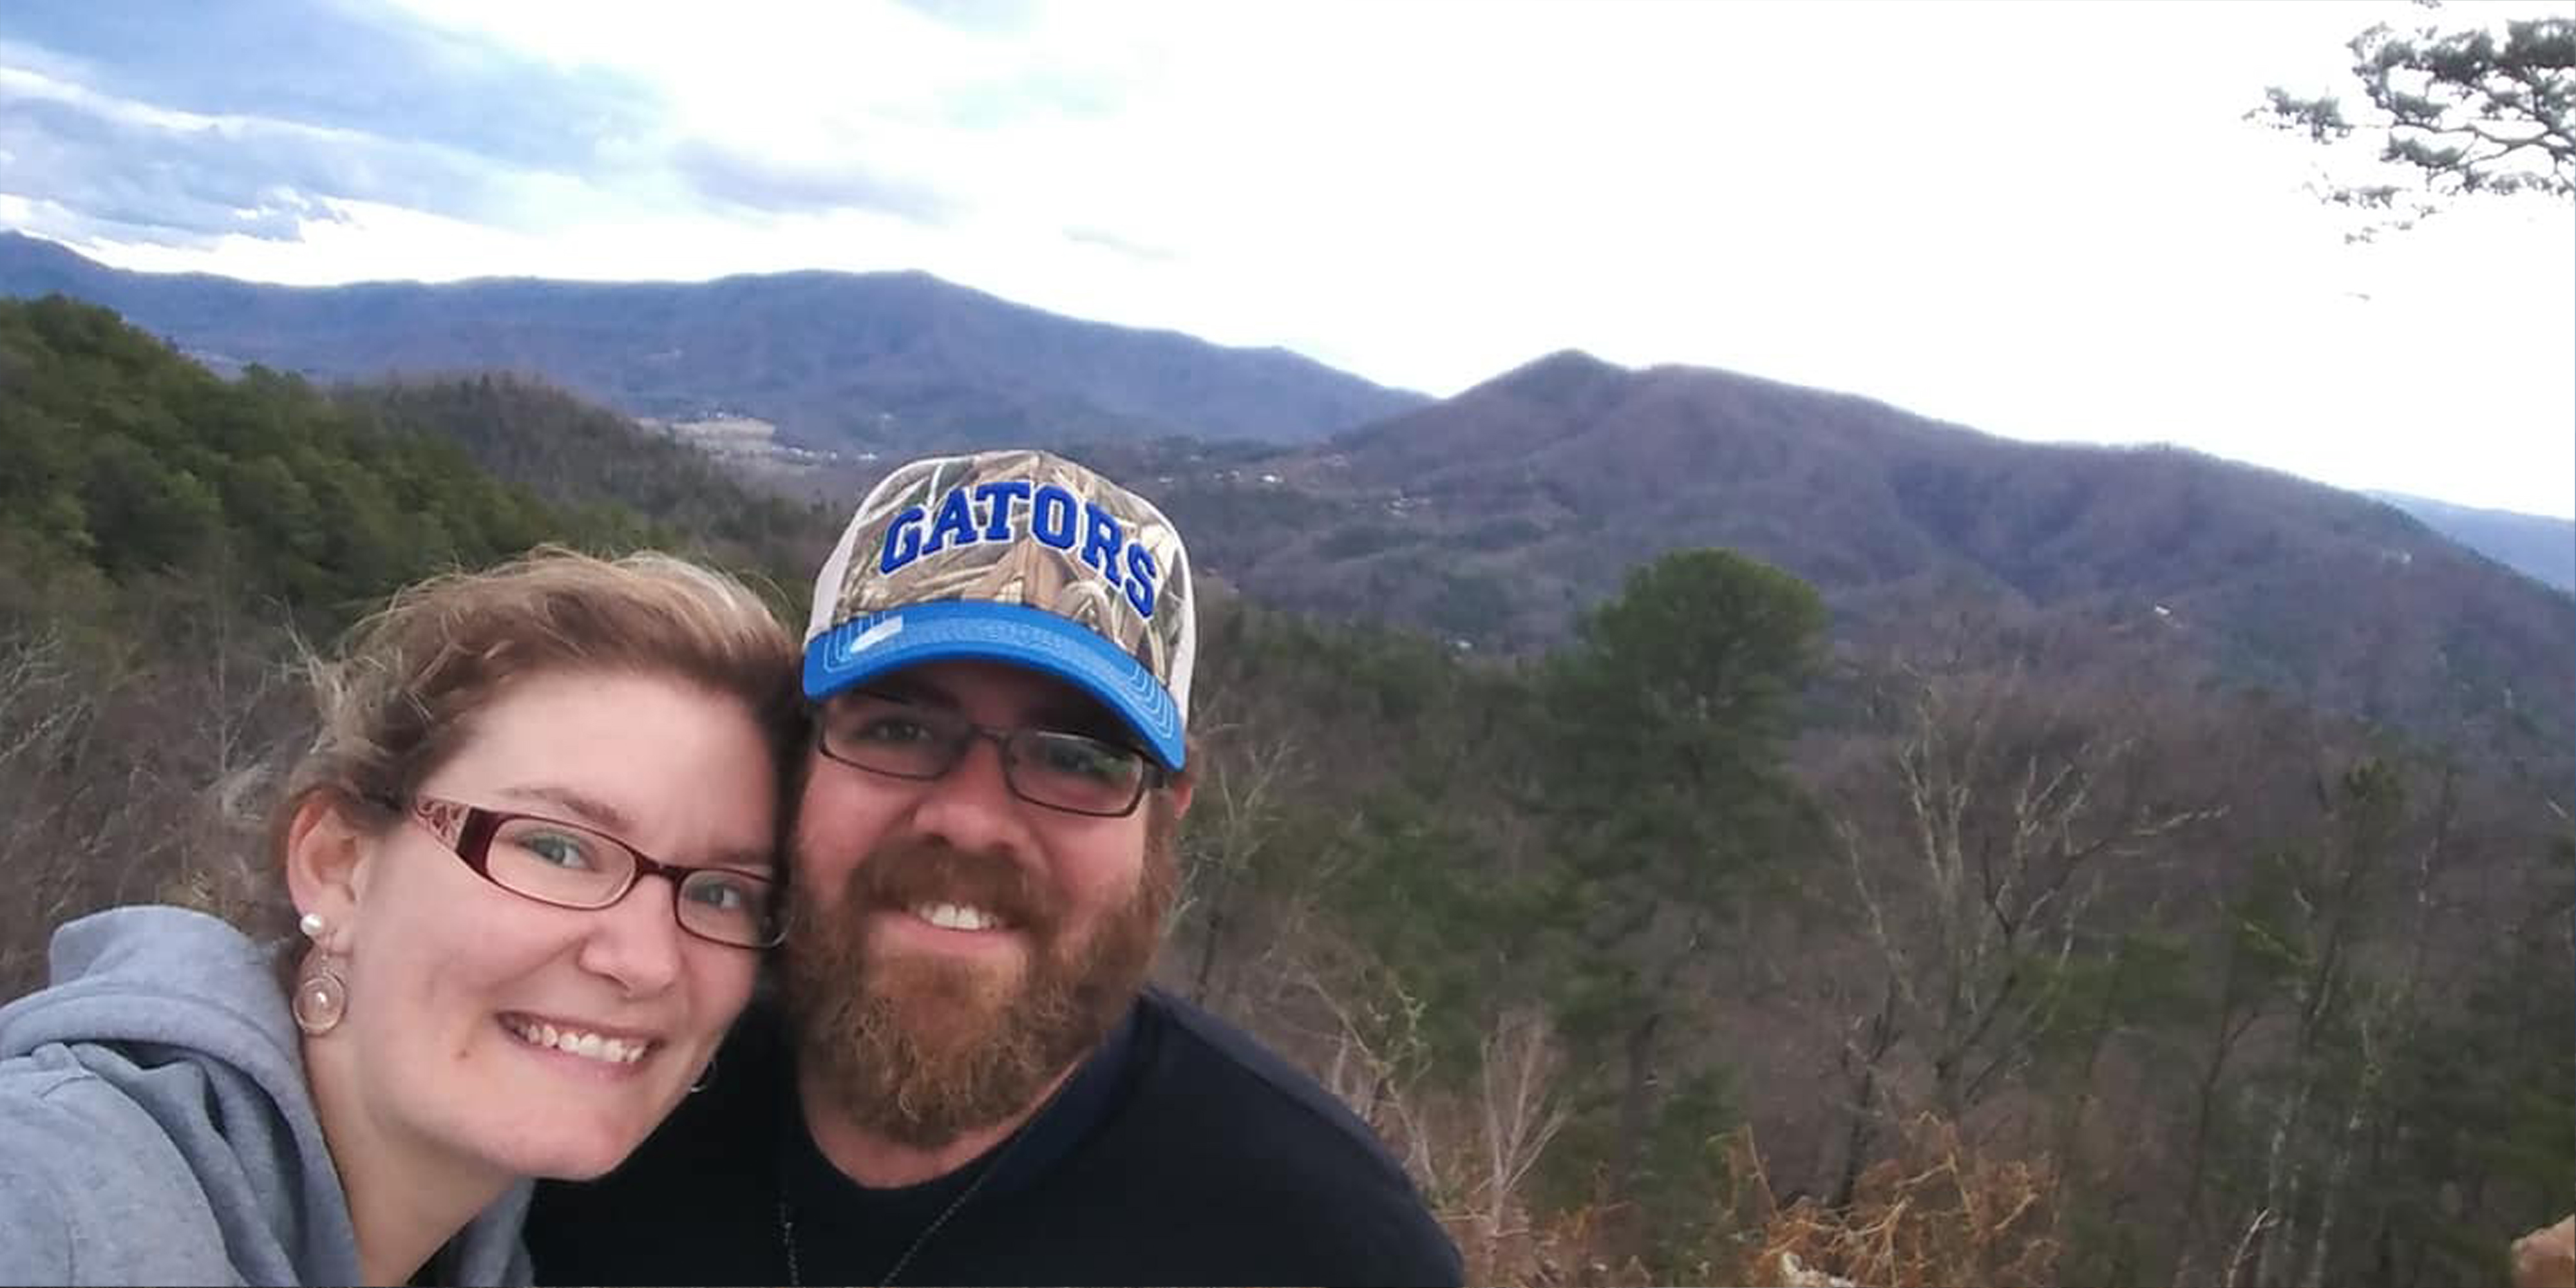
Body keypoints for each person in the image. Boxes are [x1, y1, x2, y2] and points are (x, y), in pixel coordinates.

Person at [527, 450, 1463, 1286]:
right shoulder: (603, 1090)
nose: (971, 822)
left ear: (1163, 820)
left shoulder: (1318, 1246)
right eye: (899, 728)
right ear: (800, 760)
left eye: (1076, 758)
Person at [0, 548, 807, 1285]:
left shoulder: (501, 1251)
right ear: (338, 865)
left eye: (720, 892)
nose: (646, 959)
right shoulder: (67, 1190)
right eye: (558, 849)